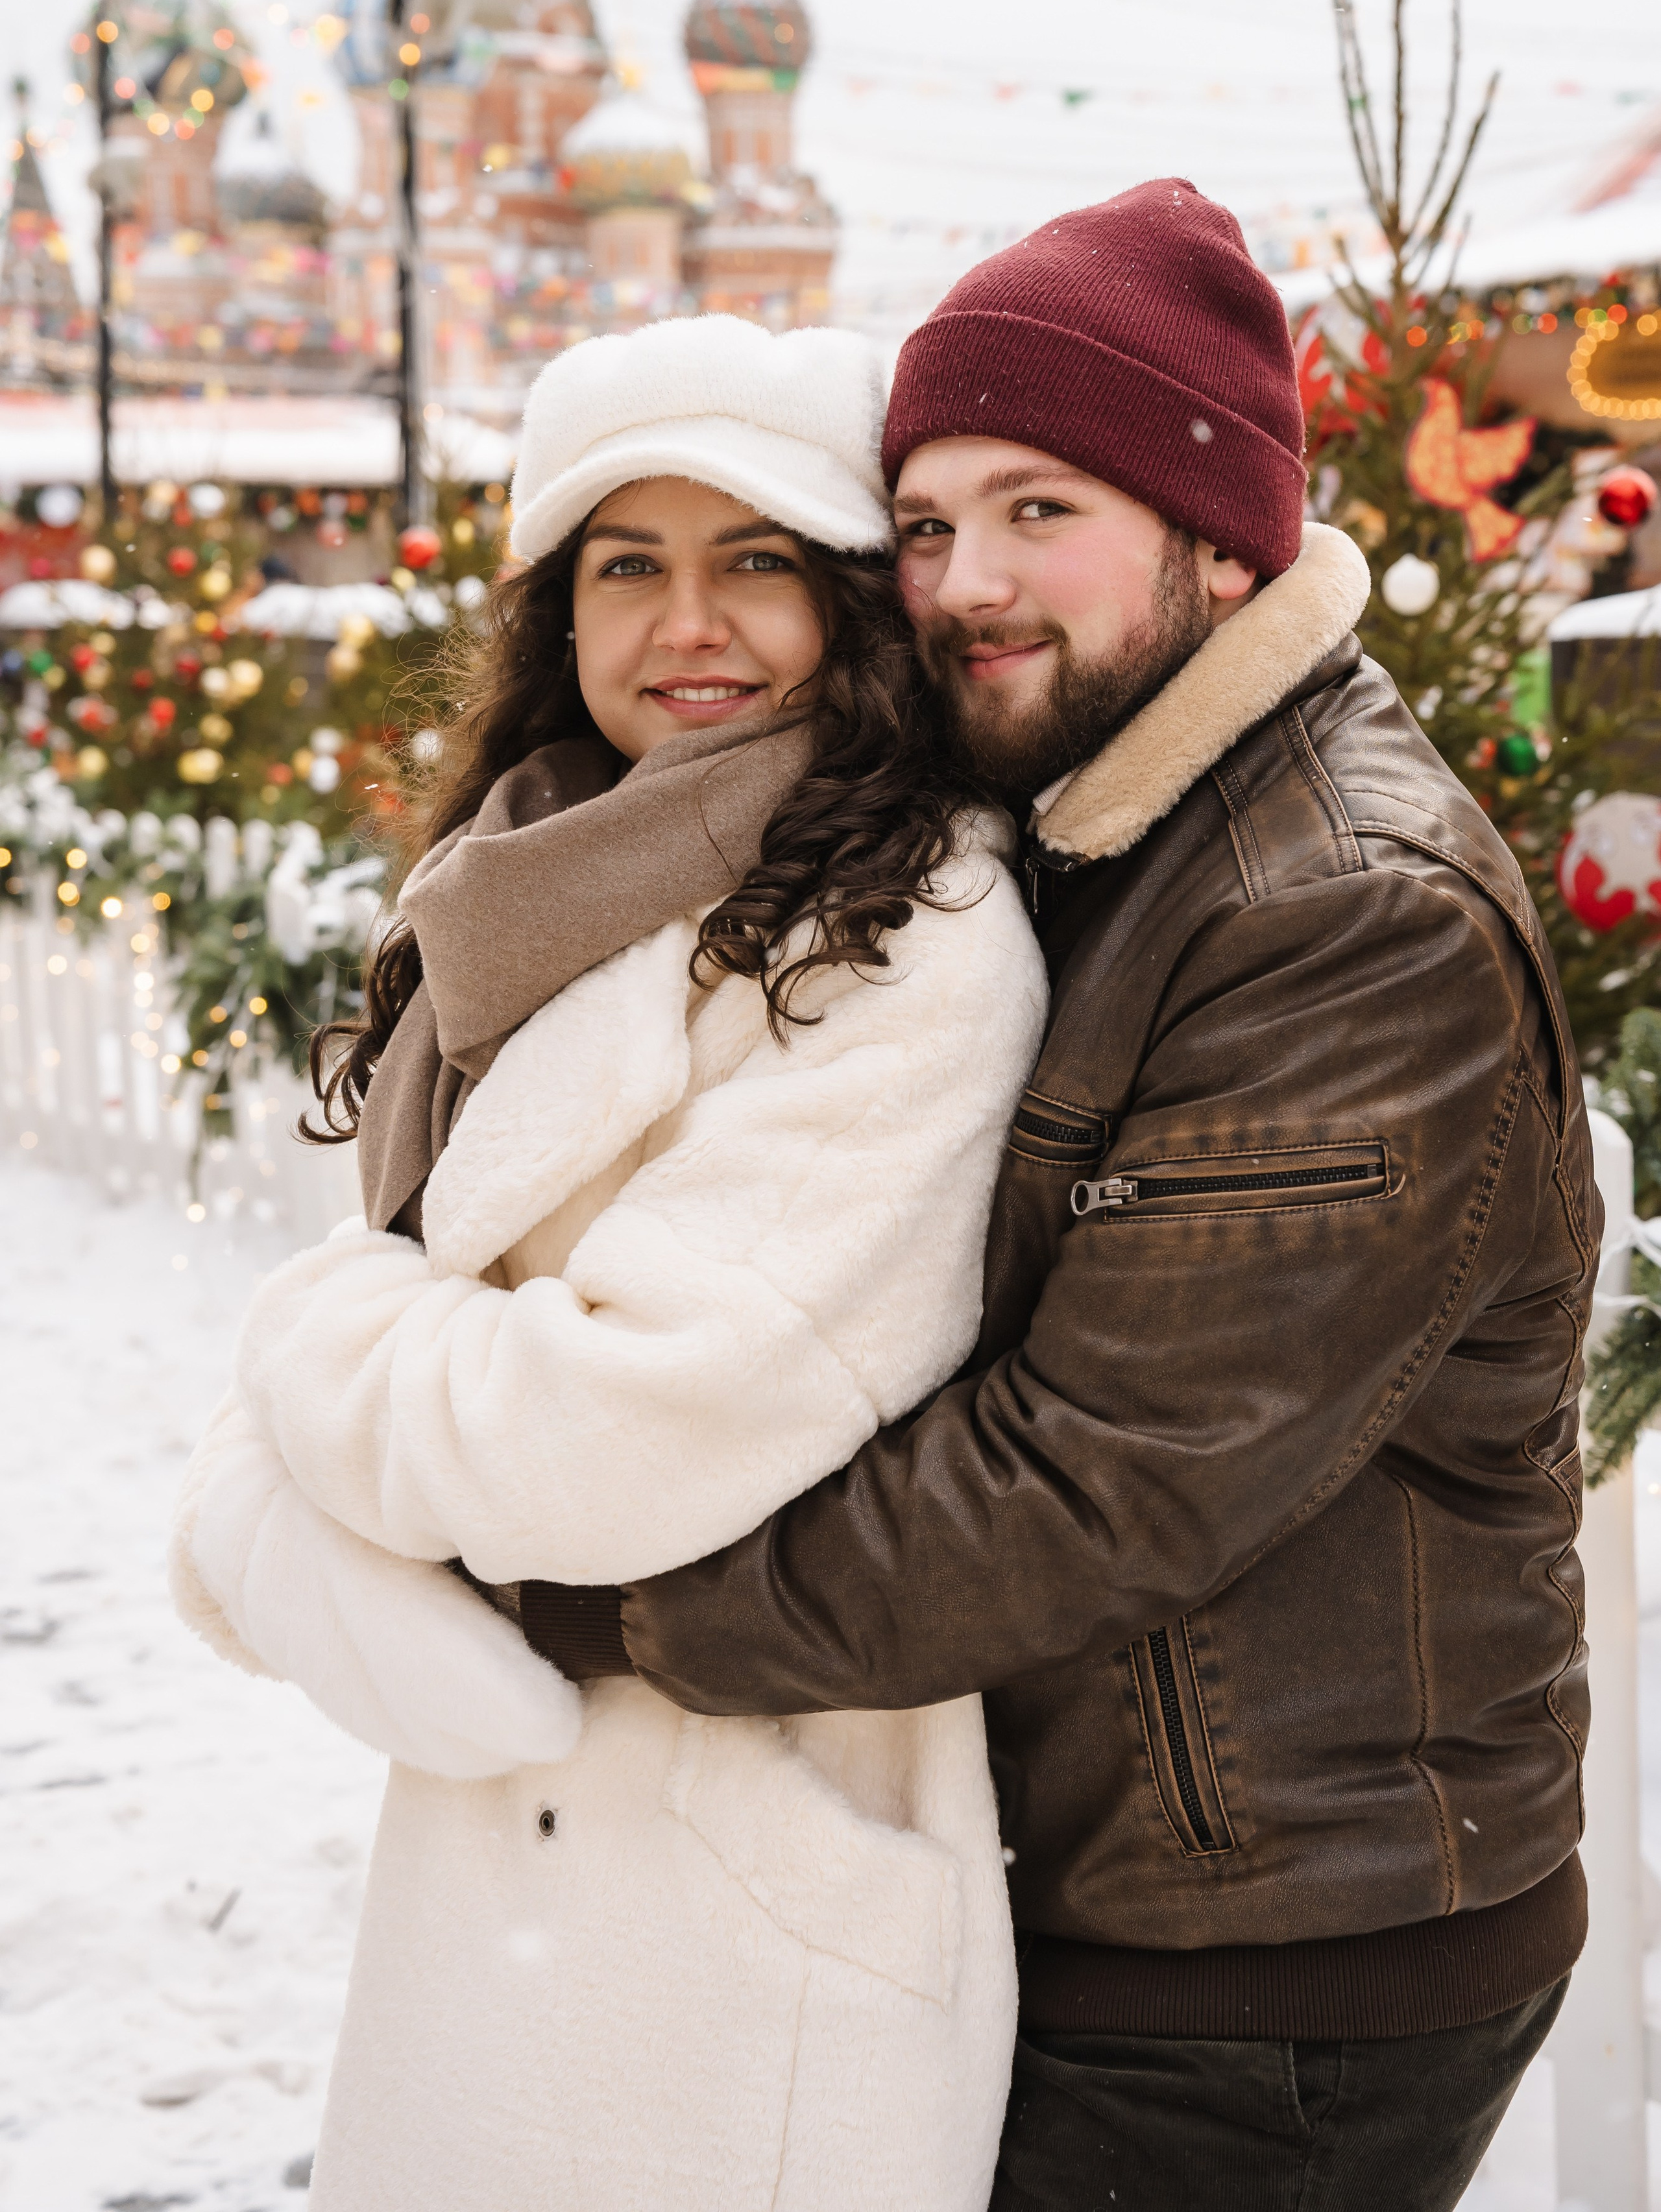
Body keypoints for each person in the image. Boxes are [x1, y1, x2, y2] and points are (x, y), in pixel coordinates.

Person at [510, 186, 1599, 2212]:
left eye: (1041, 510)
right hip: (1127, 1892)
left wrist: (602, 1596)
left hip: (1275, 1968)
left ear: (1219, 532)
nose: (965, 583)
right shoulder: (1098, 823)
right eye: (923, 526)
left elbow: (1100, 1483)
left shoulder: (1341, 908)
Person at [169, 314, 1049, 2212]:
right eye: (627, 567)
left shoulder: (912, 922)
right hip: (503, 1858)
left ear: (849, 603)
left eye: (756, 562)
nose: (691, 626)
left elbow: (615, 1431)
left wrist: (305, 1344)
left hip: (734, 1866)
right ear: (555, 616)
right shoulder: (533, 883)